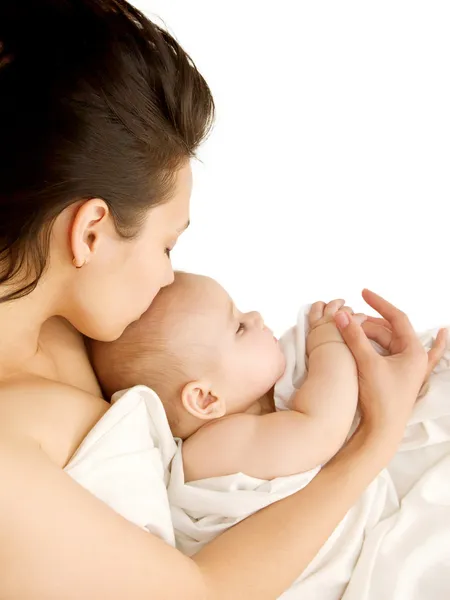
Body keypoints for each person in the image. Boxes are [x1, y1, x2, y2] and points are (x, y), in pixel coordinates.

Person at [0, 1, 444, 598]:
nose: (166, 278)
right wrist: (374, 440)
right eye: (166, 245)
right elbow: (205, 593)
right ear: (91, 231)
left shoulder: (71, 319)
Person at [91, 272, 372, 482]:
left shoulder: (259, 397)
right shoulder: (210, 451)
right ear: (205, 399)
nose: (256, 316)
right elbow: (320, 431)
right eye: (239, 327)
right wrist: (329, 343)